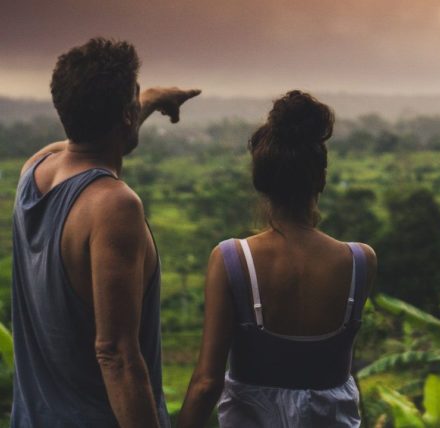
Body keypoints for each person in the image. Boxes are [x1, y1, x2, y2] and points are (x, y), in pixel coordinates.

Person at [10, 37, 200, 427]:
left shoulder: (36, 168)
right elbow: (115, 354)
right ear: (126, 116)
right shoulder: (114, 206)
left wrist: (147, 99)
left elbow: (91, 141)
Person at [178, 90, 377, 427]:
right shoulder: (360, 262)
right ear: (321, 179)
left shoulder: (232, 260)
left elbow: (206, 383)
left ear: (261, 182)